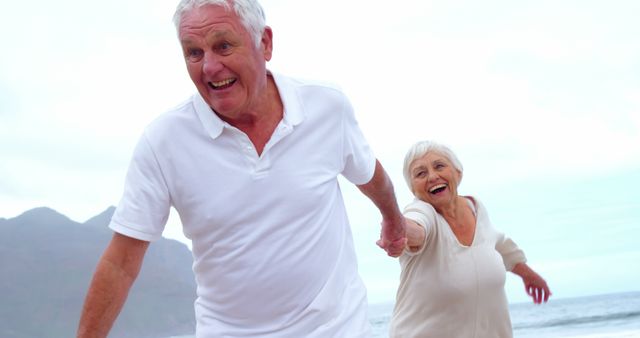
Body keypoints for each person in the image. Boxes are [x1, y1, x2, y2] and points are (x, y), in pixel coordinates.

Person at [76, 0, 407, 337]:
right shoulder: (164, 142)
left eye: (223, 46)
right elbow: (121, 263)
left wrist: (393, 220)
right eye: (193, 52)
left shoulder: (325, 106)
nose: (209, 67)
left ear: (264, 43)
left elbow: (369, 174)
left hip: (337, 328)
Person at [388, 140, 551, 338]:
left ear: (458, 173)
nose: (432, 176)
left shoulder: (476, 208)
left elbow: (499, 244)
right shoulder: (423, 213)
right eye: (420, 173)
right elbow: (416, 229)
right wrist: (398, 228)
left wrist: (528, 274)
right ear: (414, 190)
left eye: (439, 166)